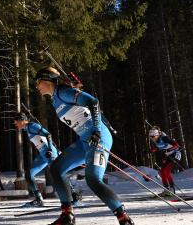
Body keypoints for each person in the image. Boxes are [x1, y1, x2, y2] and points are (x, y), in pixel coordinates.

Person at [34, 67, 134, 225]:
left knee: (93, 179)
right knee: (56, 169)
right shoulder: (55, 98)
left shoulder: (63, 92)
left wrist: (96, 130)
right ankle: (67, 216)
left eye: (37, 82)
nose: (36, 86)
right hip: (84, 141)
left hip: (98, 137)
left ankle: (124, 218)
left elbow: (93, 102)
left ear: (46, 80)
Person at [13, 112, 82, 207]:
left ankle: (75, 196)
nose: (15, 124)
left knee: (59, 173)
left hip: (49, 153)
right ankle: (38, 199)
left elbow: (48, 135)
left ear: (21, 120)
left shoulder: (32, 126)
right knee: (29, 175)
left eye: (16, 122)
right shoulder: (27, 129)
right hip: (42, 155)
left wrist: (50, 149)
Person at [148, 126, 182, 196]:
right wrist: (151, 150)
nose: (152, 138)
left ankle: (172, 189)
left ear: (157, 135)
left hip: (175, 154)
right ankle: (166, 190)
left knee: (166, 171)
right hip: (168, 156)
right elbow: (160, 148)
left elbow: (177, 145)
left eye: (153, 136)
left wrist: (169, 150)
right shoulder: (156, 141)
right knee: (162, 172)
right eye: (150, 137)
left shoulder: (165, 138)